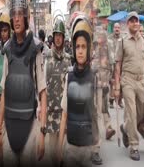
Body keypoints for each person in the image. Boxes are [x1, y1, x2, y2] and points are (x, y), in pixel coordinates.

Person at [0, 0, 47, 166]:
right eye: (14, 14)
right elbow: (4, 93)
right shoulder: (8, 49)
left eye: (20, 14)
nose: (17, 19)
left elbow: (43, 92)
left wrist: (42, 133)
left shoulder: (36, 49)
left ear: (26, 17)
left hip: (30, 126)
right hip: (9, 126)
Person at [114, 11, 144, 161]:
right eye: (131, 21)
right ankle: (134, 146)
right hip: (128, 81)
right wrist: (117, 86)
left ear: (139, 23)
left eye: (136, 21)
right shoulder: (123, 41)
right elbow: (118, 64)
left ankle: (125, 128)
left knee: (139, 113)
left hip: (141, 81)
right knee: (131, 111)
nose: (134, 23)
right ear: (127, 24)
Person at [57, 14, 96, 167]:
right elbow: (64, 115)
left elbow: (96, 116)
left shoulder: (94, 78)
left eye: (84, 46)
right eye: (78, 46)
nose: (80, 51)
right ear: (73, 48)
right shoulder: (69, 76)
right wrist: (59, 148)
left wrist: (96, 147)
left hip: (88, 148)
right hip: (70, 147)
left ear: (89, 48)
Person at [45, 17, 71, 166]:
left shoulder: (68, 59)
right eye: (56, 36)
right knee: (52, 155)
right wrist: (40, 108)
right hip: (50, 113)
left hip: (64, 115)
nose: (58, 38)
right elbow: (42, 84)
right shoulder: (46, 57)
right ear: (53, 37)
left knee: (63, 156)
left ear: (63, 37)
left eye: (60, 36)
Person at [92, 27, 116, 165]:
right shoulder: (90, 45)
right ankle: (96, 143)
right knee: (96, 112)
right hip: (93, 83)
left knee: (102, 109)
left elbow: (112, 64)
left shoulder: (108, 46)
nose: (100, 39)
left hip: (103, 82)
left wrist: (112, 81)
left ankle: (105, 131)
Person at [0, 10, 11, 108]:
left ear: (10, 31)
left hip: (10, 90)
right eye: (1, 31)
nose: (3, 33)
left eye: (5, 30)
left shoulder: (13, 47)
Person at [107, 22, 123, 109]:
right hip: (111, 64)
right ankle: (111, 101)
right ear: (113, 28)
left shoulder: (123, 39)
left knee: (121, 82)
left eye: (118, 28)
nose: (117, 29)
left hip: (120, 64)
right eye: (115, 27)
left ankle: (120, 101)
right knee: (112, 83)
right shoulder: (109, 38)